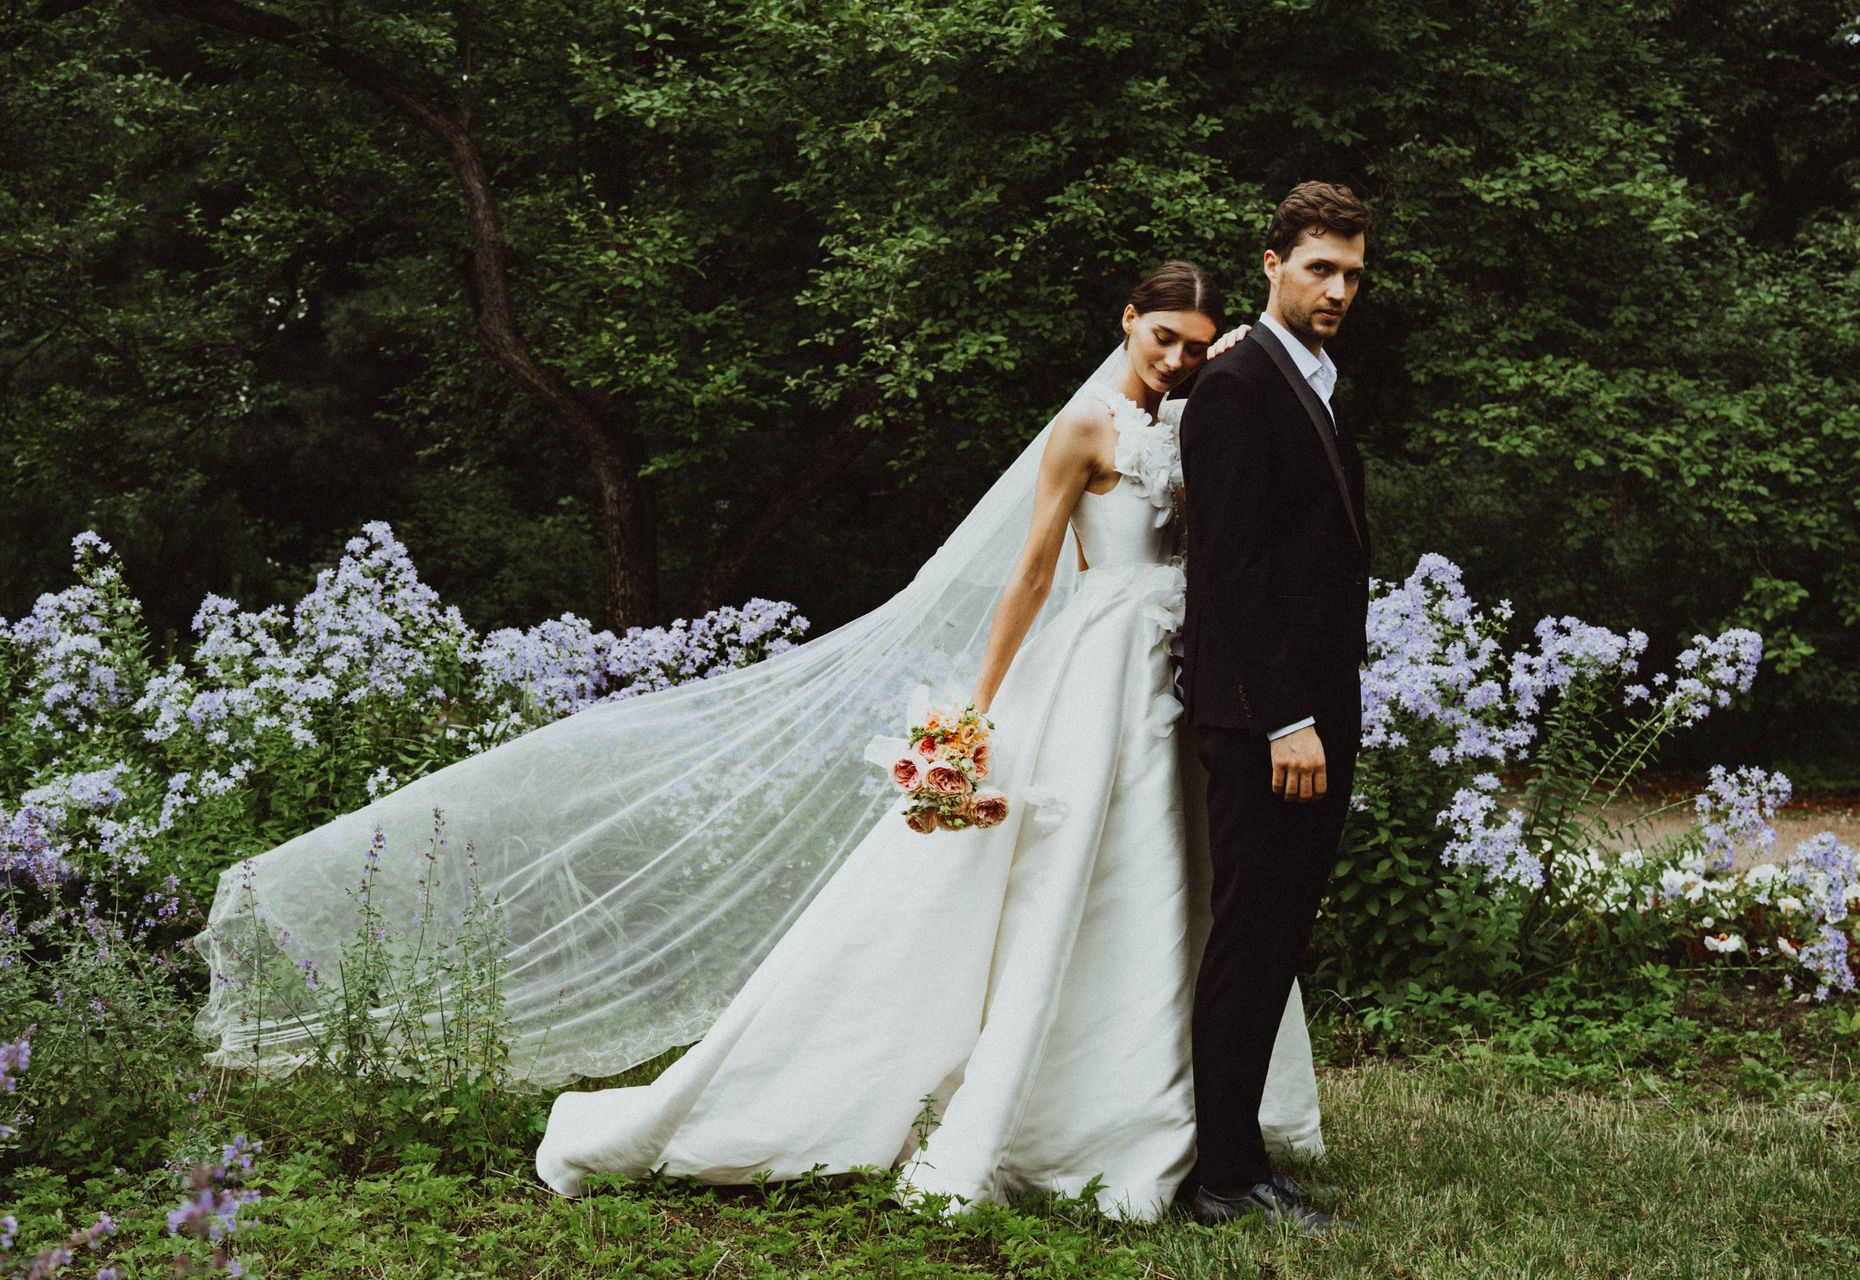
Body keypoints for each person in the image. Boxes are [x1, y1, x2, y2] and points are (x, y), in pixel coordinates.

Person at [193, 259, 1325, 1224]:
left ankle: (1160, 1112)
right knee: (1071, 877)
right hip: (1094, 673)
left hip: (1176, 673)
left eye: (1196, 345)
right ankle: (1038, 1116)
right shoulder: (1085, 426)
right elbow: (1035, 570)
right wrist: (978, 710)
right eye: (1164, 337)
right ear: (1127, 320)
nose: (1179, 358)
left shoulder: (1196, 417)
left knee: (1169, 881)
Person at [1178, 182, 1374, 1235]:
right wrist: (1286, 717)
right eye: (1319, 268)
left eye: (1352, 273)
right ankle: (1224, 1176)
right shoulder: (1237, 383)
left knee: (1279, 933)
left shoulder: (1315, 378)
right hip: (1267, 718)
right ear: (1273, 264)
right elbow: (1231, 572)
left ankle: (1240, 1154)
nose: (1337, 289)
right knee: (1251, 937)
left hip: (1313, 709)